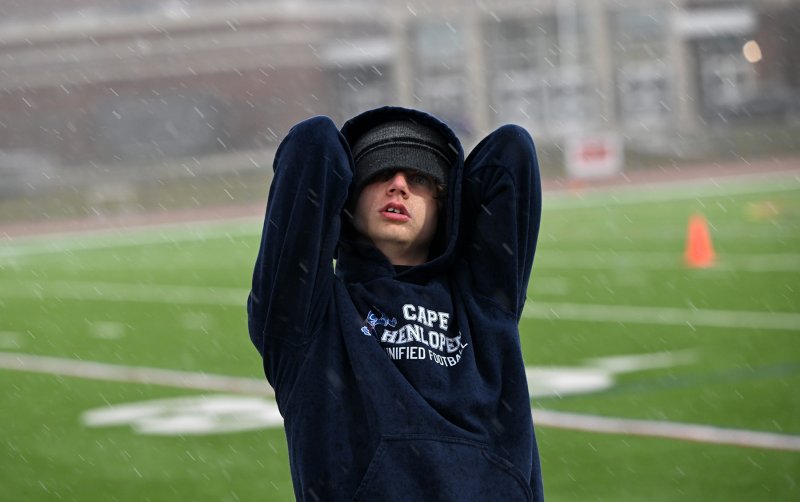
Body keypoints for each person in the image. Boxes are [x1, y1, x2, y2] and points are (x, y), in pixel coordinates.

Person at [248, 106, 543, 501]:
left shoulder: (483, 304)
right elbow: (313, 144)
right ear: (350, 198)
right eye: (380, 172)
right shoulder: (309, 318)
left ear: (444, 207)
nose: (399, 185)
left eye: (420, 178)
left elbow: (512, 151)